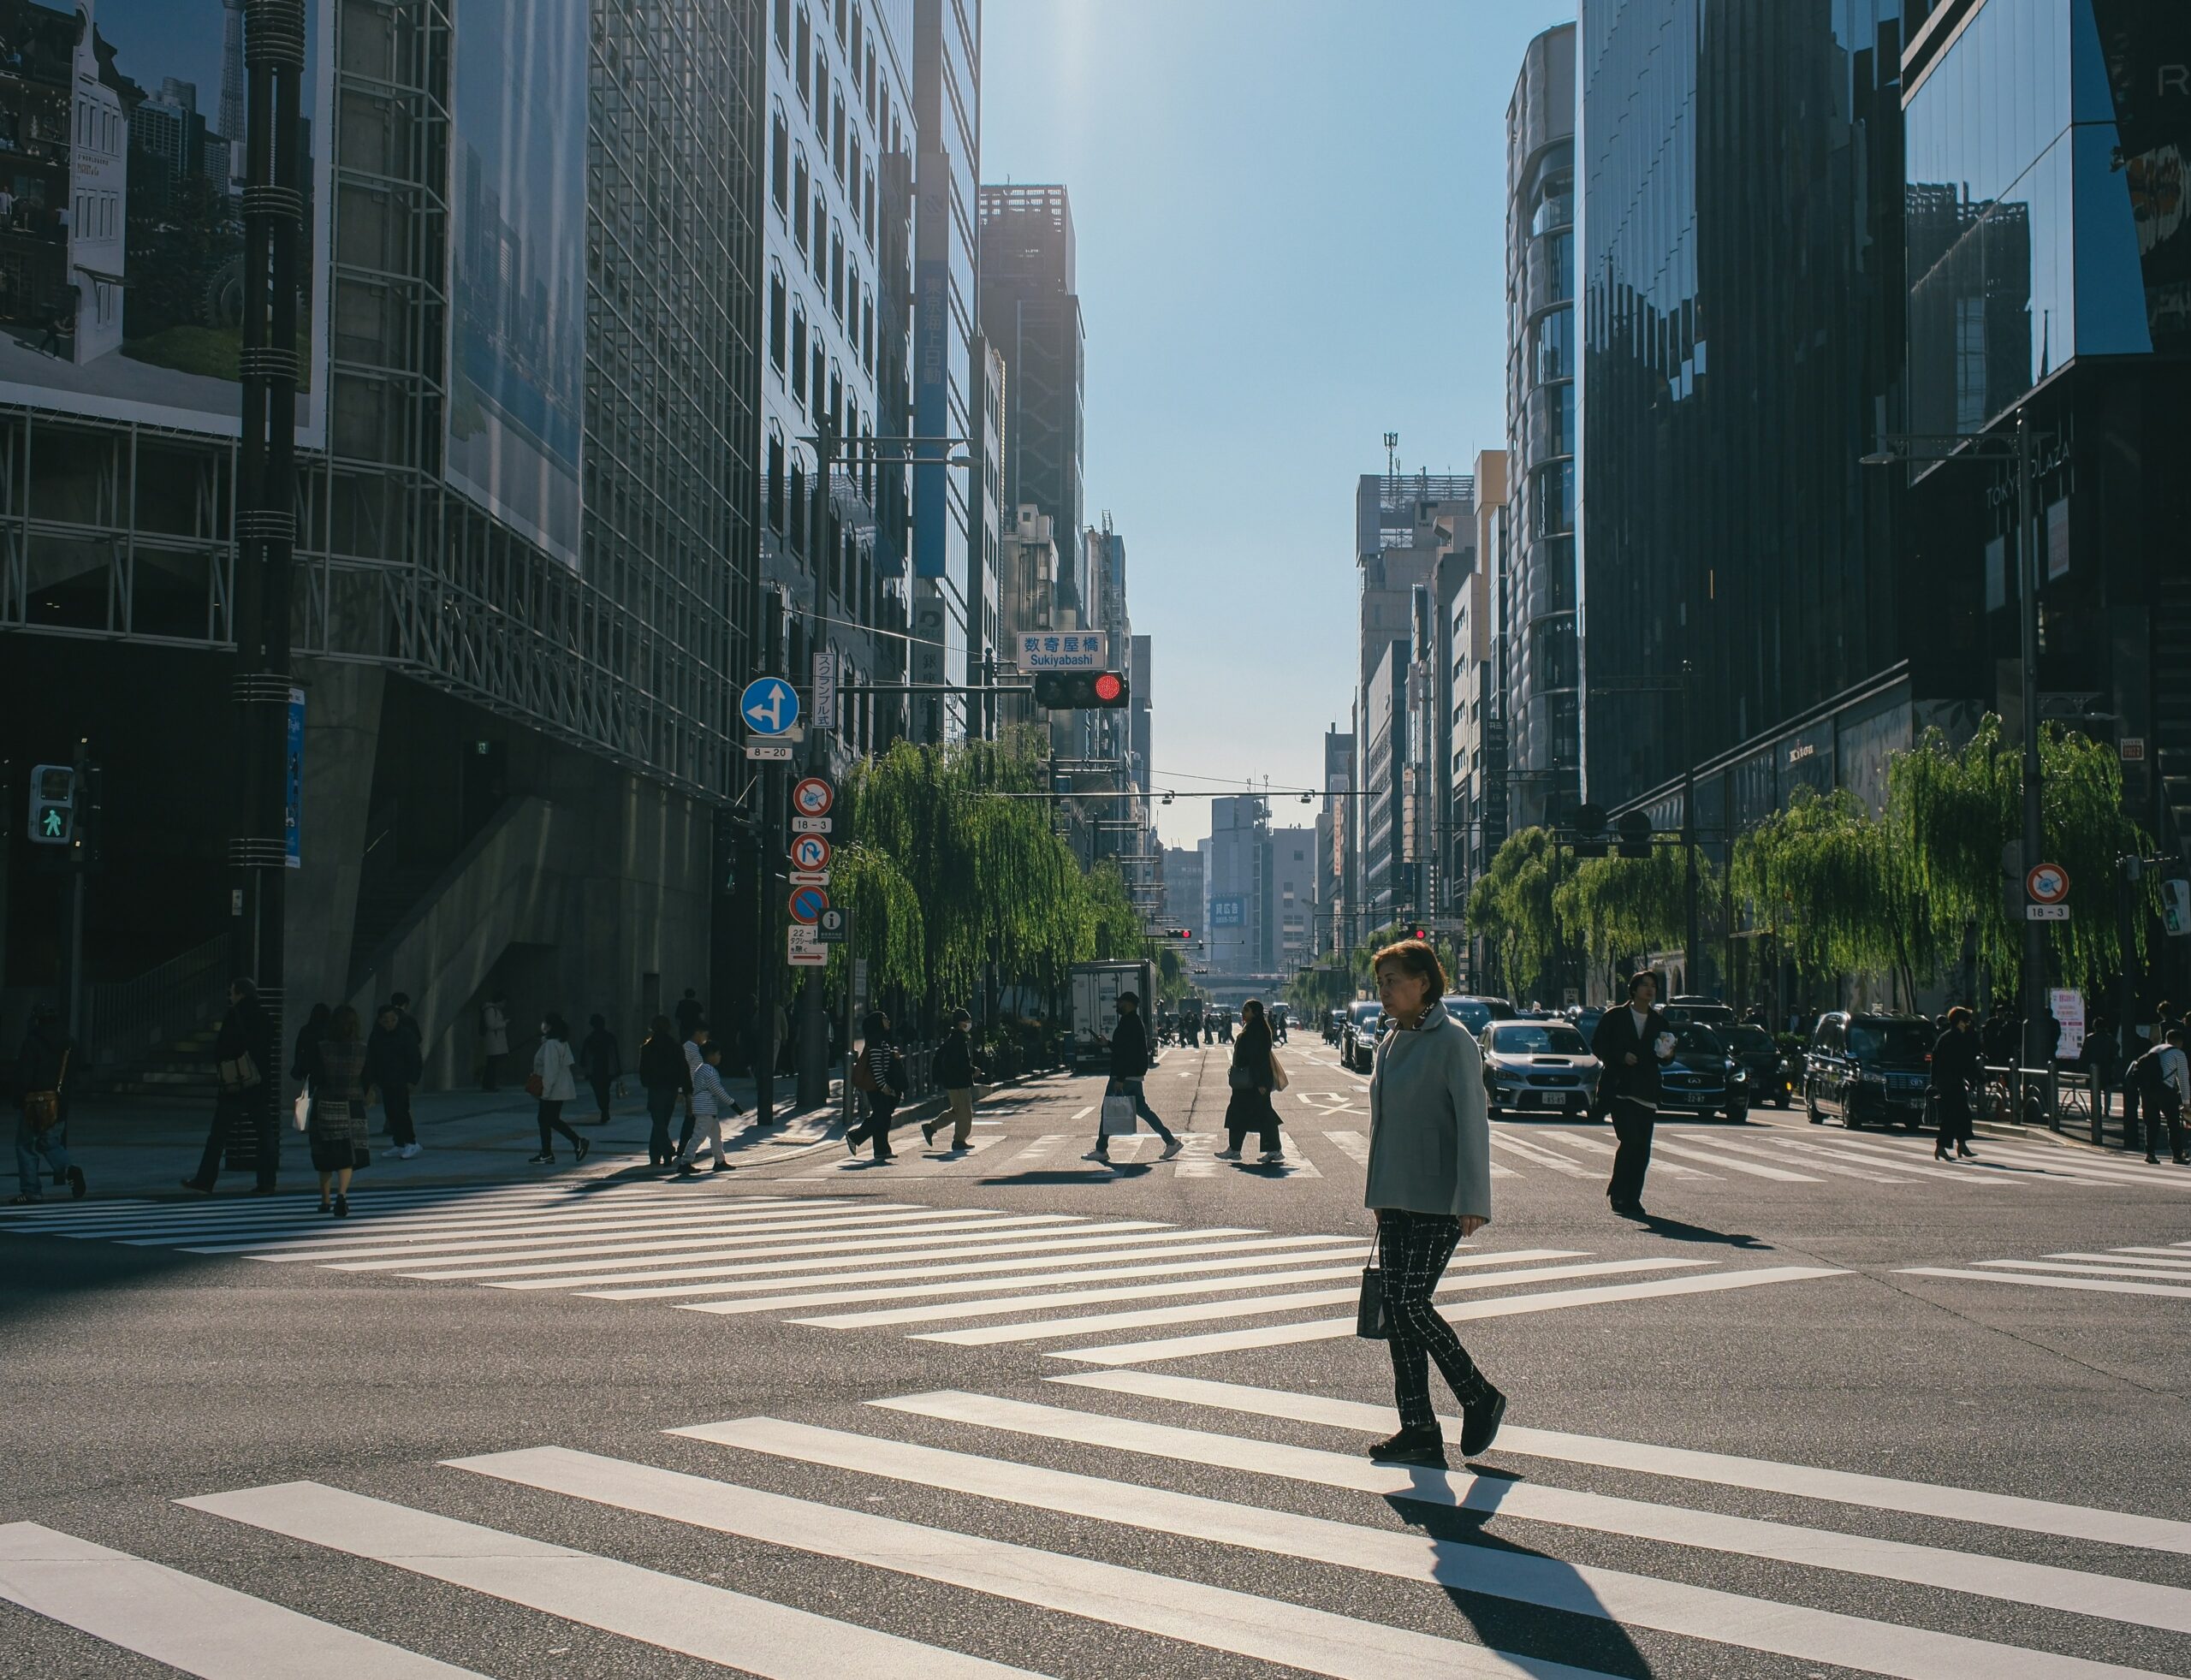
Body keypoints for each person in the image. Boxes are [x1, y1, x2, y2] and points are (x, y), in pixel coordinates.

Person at [1361, 936, 1504, 1467]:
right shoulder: (1391, 1040)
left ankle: (1478, 1395)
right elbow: (1383, 1127)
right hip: (1397, 1198)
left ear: (1424, 982)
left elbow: (1473, 1123)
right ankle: (1418, 1426)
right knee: (1399, 1315)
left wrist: (1473, 1199)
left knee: (1409, 1304)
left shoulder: (1454, 1042)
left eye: (1393, 981)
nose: (1385, 992)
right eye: (1381, 983)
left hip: (1440, 1199)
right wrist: (1377, 1193)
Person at [1589, 971, 1676, 1217]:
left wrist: (1668, 1055)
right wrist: (1620, 1056)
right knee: (1630, 1141)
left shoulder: (1659, 1022)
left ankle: (1633, 1197)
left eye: (1653, 986)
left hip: (1646, 1090)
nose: (1649, 990)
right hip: (1620, 1089)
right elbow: (1598, 1045)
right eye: (1645, 985)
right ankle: (1618, 1193)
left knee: (1643, 1148)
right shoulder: (1615, 1016)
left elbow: (1667, 1056)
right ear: (1634, 989)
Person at [183, 978, 276, 1195]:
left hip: (234, 1085)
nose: (231, 997)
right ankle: (267, 1181)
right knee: (265, 1134)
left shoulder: (234, 1016)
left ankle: (205, 1180)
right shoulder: (265, 1016)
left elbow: (221, 1049)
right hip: (258, 1083)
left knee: (218, 1135)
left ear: (241, 994)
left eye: (233, 993)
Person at [1086, 992, 1182, 1164]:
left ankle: (1101, 1149)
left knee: (1107, 1110)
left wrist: (1120, 1078)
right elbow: (1124, 1049)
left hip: (1125, 1075)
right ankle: (1171, 1141)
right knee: (1143, 1110)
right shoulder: (1133, 1022)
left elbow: (1127, 1053)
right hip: (1133, 1075)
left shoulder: (1129, 1023)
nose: (1118, 1005)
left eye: (1120, 1002)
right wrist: (1107, 1043)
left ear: (1129, 1004)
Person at [12, 1006, 85, 1204]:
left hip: (33, 1101)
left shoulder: (33, 1041)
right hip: (58, 1102)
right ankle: (68, 1169)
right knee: (50, 1142)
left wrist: (17, 1097)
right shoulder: (70, 1043)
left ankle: (31, 1191)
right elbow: (74, 1074)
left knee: (26, 1146)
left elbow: (25, 1074)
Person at [306, 1006, 373, 1216]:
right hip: (352, 1103)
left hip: (325, 1102)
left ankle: (325, 1200)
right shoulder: (362, 1048)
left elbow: (315, 1075)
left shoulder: (321, 1047)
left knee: (324, 1151)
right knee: (347, 1153)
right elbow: (369, 1075)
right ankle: (342, 1196)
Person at [1217, 998, 1285, 1162]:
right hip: (1251, 1081)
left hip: (1253, 1082)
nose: (1243, 1013)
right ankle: (1238, 1149)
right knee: (1250, 1114)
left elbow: (1258, 1059)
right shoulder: (1254, 1028)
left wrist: (1261, 1083)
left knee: (1254, 1114)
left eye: (1246, 1010)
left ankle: (1268, 1150)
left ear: (1255, 1013)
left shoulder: (1256, 1031)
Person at [526, 1012, 590, 1166]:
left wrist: (545, 1092)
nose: (543, 1025)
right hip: (559, 1088)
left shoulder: (551, 1045)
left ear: (550, 1026)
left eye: (545, 1023)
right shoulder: (560, 1042)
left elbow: (550, 1070)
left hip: (553, 1089)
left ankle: (574, 1142)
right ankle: (548, 1152)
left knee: (548, 1119)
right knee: (548, 1119)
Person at [674, 1040, 743, 1174]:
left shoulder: (702, 1069)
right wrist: (733, 1104)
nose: (720, 1057)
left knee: (716, 1136)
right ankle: (685, 1162)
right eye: (718, 1054)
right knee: (698, 1136)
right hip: (705, 1110)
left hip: (707, 1109)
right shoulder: (709, 1071)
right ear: (711, 1055)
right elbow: (718, 1090)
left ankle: (720, 1161)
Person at [366, 1003, 424, 1160]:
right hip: (385, 1079)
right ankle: (399, 1143)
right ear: (379, 1021)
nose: (390, 1023)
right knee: (390, 1112)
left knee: (402, 1111)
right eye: (386, 1020)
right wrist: (372, 1080)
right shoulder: (377, 1036)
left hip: (401, 1079)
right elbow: (371, 1058)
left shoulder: (406, 1034)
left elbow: (415, 1059)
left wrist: (412, 1080)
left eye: (393, 1020)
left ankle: (411, 1142)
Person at [923, 1008, 986, 1150]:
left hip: (954, 1082)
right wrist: (972, 1070)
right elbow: (958, 1064)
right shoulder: (957, 1040)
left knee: (957, 1111)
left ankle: (931, 1127)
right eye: (967, 1022)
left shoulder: (956, 1039)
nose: (969, 1024)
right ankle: (959, 1140)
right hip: (958, 1082)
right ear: (960, 1023)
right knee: (964, 1112)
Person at [846, 1010, 904, 1161]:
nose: (888, 1021)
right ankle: (856, 1136)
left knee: (884, 1117)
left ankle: (881, 1150)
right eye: (885, 1019)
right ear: (878, 1022)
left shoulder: (879, 1041)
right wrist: (883, 1086)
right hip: (877, 1086)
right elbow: (876, 1066)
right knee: (881, 1116)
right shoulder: (876, 1042)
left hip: (880, 1085)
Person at [1930, 1006, 1981, 1162]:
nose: (1968, 1024)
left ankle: (1962, 1144)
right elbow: (1965, 1061)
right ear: (1960, 1022)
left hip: (1946, 1081)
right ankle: (1941, 1147)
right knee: (1953, 1114)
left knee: (1961, 1113)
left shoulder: (1945, 1037)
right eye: (1967, 1021)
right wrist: (1978, 1076)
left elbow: (1935, 1059)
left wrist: (1934, 1081)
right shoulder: (1958, 1038)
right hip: (1952, 1081)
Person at [639, 1014, 692, 1167]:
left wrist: (646, 1083)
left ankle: (661, 1152)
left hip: (655, 1088)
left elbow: (643, 1071)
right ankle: (661, 1153)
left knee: (658, 1122)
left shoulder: (648, 1048)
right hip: (671, 1088)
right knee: (663, 1122)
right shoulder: (674, 1046)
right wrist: (687, 1089)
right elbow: (683, 1069)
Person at [579, 1012, 622, 1124]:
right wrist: (618, 1069)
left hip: (595, 1069)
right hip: (607, 1069)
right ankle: (605, 1110)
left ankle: (604, 1109)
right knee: (605, 1090)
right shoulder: (610, 1037)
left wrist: (584, 1067)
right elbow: (615, 1054)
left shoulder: (590, 1038)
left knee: (598, 1092)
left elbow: (584, 1056)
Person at [478, 992, 511, 1090]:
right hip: (493, 1041)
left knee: (492, 1064)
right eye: (503, 1002)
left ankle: (489, 1085)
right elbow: (491, 1025)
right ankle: (489, 1085)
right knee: (491, 1064)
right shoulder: (491, 1010)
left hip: (494, 1040)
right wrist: (504, 1023)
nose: (504, 1005)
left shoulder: (493, 1010)